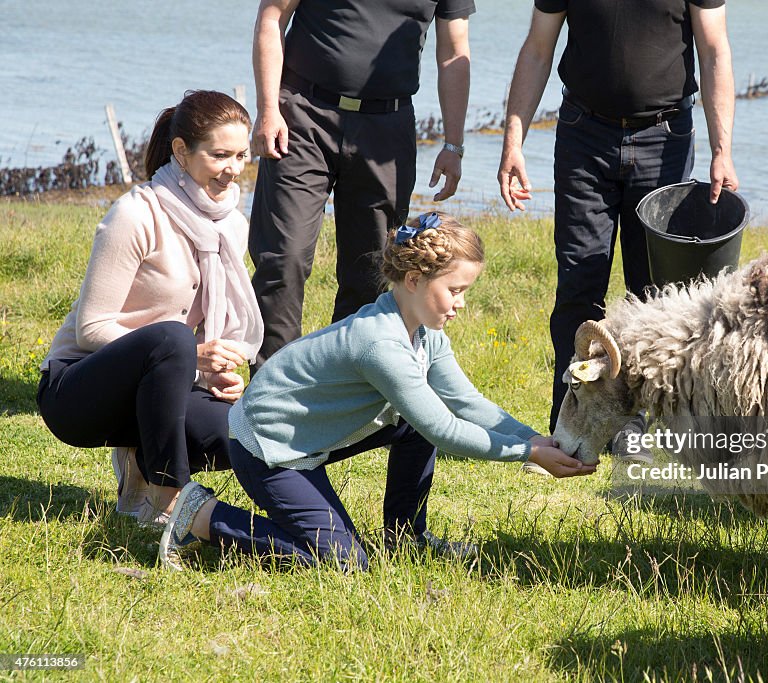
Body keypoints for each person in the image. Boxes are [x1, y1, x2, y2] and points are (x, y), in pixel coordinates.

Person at [157, 212, 596, 571]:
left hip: (309, 437)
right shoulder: (380, 345)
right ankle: (200, 515)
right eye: (455, 290)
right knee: (344, 563)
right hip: (267, 448)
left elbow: (464, 401)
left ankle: (407, 537)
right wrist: (526, 454)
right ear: (413, 280)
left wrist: (533, 438)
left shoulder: (422, 329)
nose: (461, 302)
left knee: (411, 425)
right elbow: (443, 428)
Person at [497, 0, 740, 464]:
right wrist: (514, 142)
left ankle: (634, 425)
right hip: (583, 133)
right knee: (578, 284)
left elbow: (714, 51)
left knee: (650, 291)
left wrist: (722, 151)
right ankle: (567, 424)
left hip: (665, 136)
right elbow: (536, 50)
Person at [36, 90, 264, 527]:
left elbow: (203, 328)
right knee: (172, 337)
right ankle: (169, 502)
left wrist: (216, 371)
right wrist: (190, 354)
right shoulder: (135, 214)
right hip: (80, 388)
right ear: (182, 151)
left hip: (165, 383)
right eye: (220, 155)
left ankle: (142, 464)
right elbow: (91, 329)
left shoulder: (232, 226)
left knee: (238, 434)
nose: (233, 170)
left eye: (241, 156)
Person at [248, 0, 473, 369]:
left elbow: (454, 52)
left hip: (387, 127)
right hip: (303, 114)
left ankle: (340, 395)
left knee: (371, 271)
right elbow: (273, 15)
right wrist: (268, 108)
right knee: (282, 259)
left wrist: (453, 144)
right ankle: (271, 392)